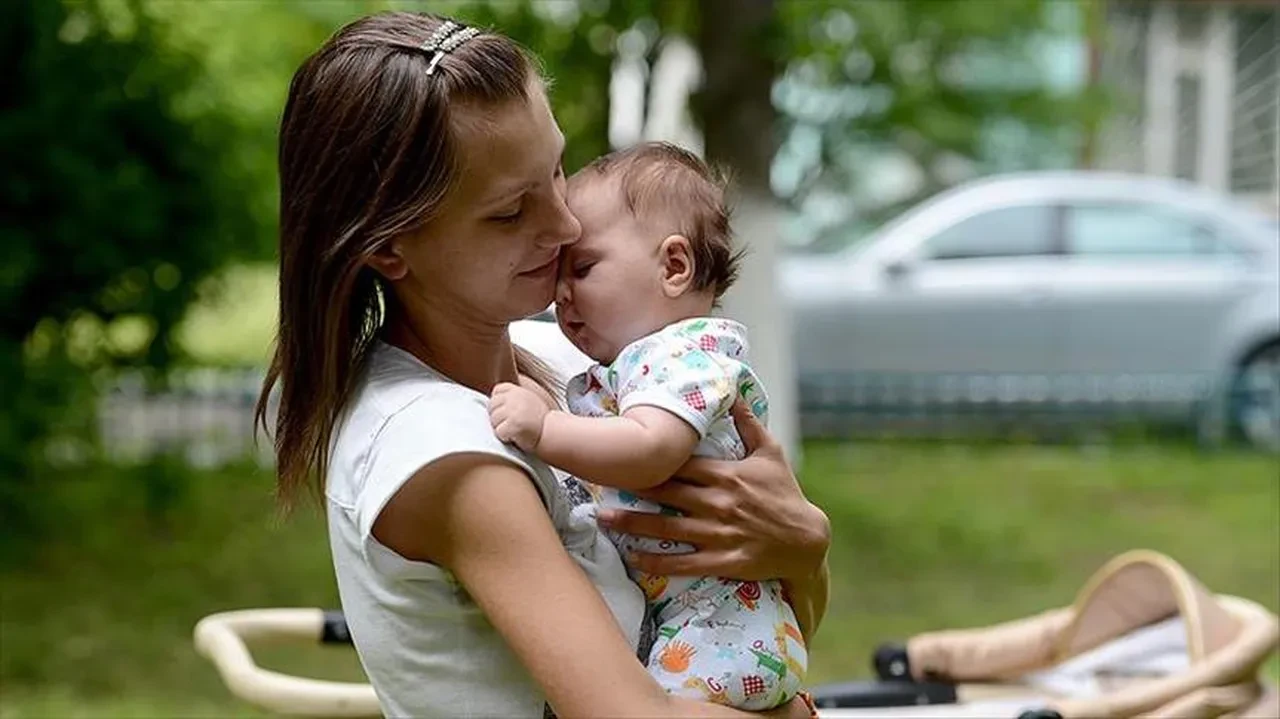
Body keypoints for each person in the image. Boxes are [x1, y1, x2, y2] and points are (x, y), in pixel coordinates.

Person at [256, 11, 831, 718]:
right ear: (389, 249)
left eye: (555, 170)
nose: (564, 224)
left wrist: (804, 545)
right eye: (509, 212)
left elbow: (773, 611)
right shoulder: (440, 450)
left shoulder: (575, 360)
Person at [488, 142, 806, 710]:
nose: (561, 295)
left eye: (582, 268)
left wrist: (544, 429)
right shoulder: (633, 365)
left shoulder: (684, 356)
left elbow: (650, 448)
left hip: (715, 630)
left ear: (674, 266)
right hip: (704, 618)